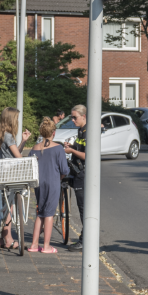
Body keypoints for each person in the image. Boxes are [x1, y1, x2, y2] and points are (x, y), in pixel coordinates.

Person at [28, 118, 70, 253]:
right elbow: (64, 170)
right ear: (54, 132)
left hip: (38, 183)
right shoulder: (58, 148)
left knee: (40, 212)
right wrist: (59, 178)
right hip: (53, 182)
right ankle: (46, 246)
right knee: (49, 213)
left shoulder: (34, 148)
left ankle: (34, 244)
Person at [0, 107, 32, 250]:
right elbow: (18, 157)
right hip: (10, 173)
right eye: (16, 118)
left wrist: (23, 141)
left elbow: (14, 152)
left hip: (4, 172)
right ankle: (8, 239)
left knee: (6, 205)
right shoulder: (9, 135)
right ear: (12, 119)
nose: (18, 120)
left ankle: (2, 238)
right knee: (10, 207)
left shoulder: (2, 133)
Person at [63, 105, 87, 252]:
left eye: (75, 117)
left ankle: (84, 241)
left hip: (83, 173)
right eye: (71, 117)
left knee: (84, 208)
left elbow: (87, 155)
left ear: (83, 116)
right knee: (82, 208)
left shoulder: (88, 131)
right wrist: (72, 146)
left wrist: (71, 150)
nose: (72, 120)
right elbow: (81, 148)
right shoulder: (81, 130)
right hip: (79, 173)